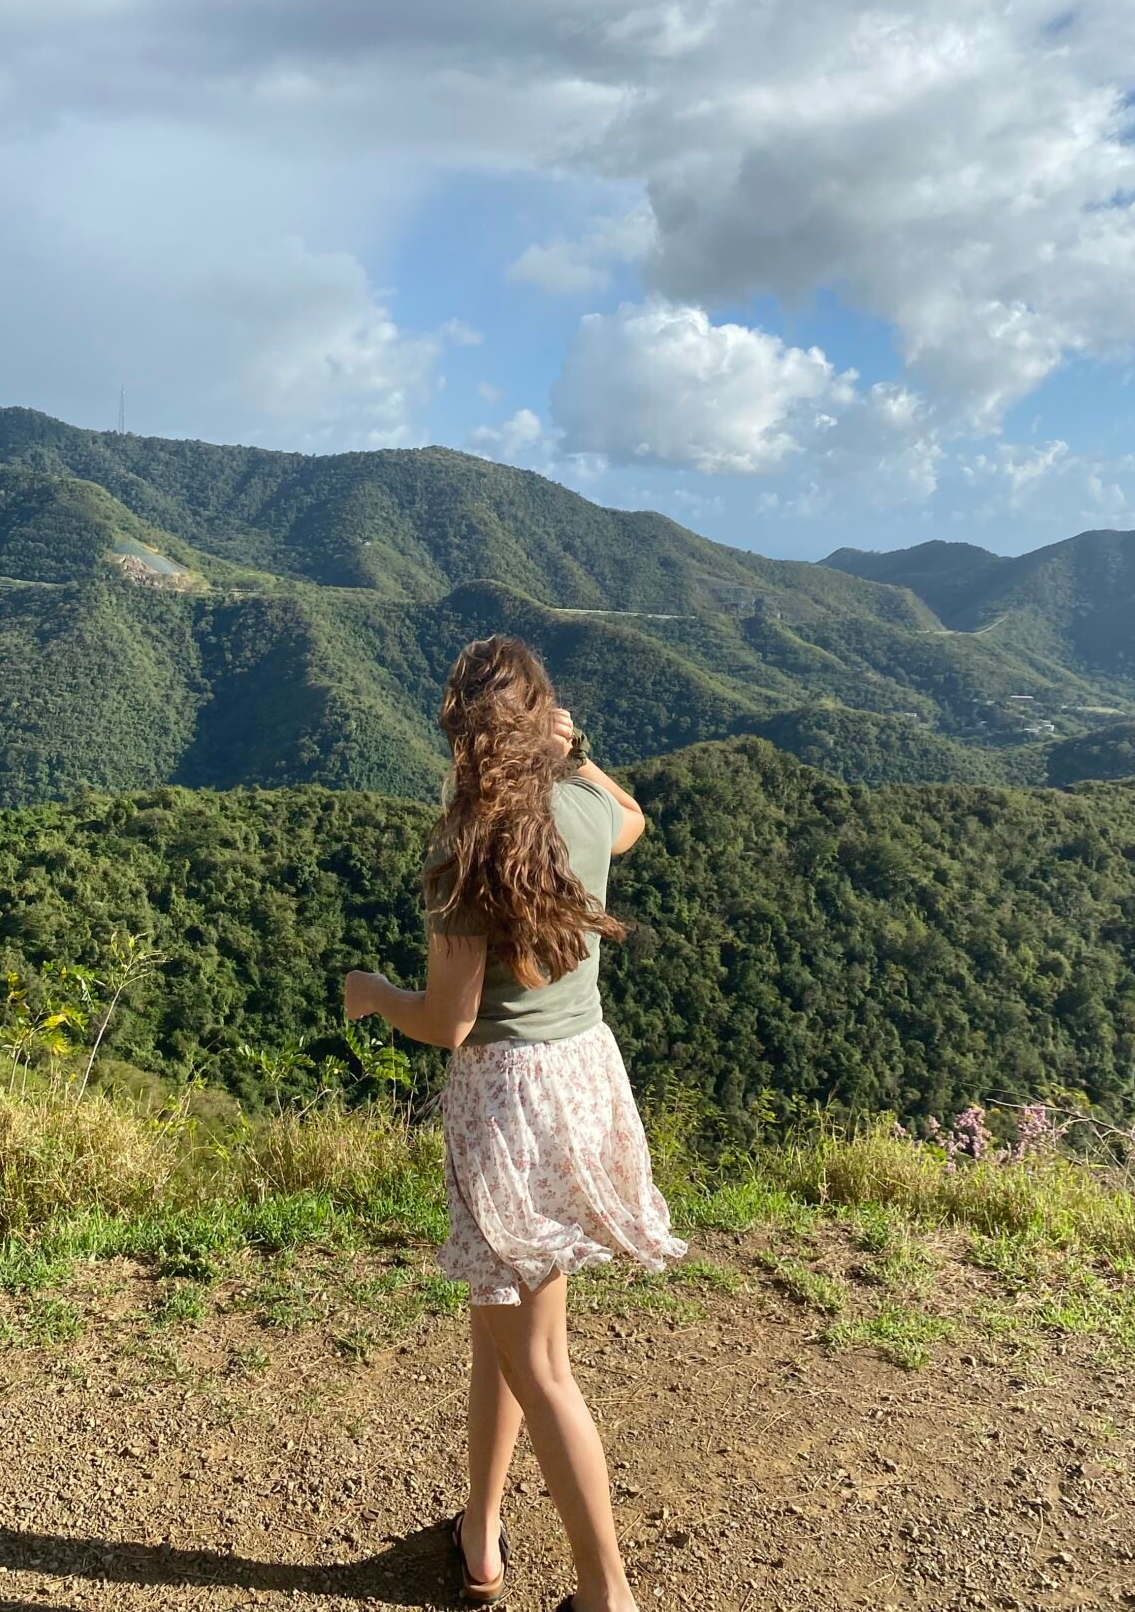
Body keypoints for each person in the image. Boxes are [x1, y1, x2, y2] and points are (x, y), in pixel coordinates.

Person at [344, 633, 685, 1612]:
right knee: (505, 1332)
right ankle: (480, 1535)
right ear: (544, 725)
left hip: (503, 1100)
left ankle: (605, 1592)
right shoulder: (581, 807)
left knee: (539, 1362)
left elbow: (447, 1022)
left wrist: (371, 992)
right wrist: (573, 755)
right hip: (581, 1083)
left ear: (456, 733)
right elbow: (634, 818)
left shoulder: (460, 850)